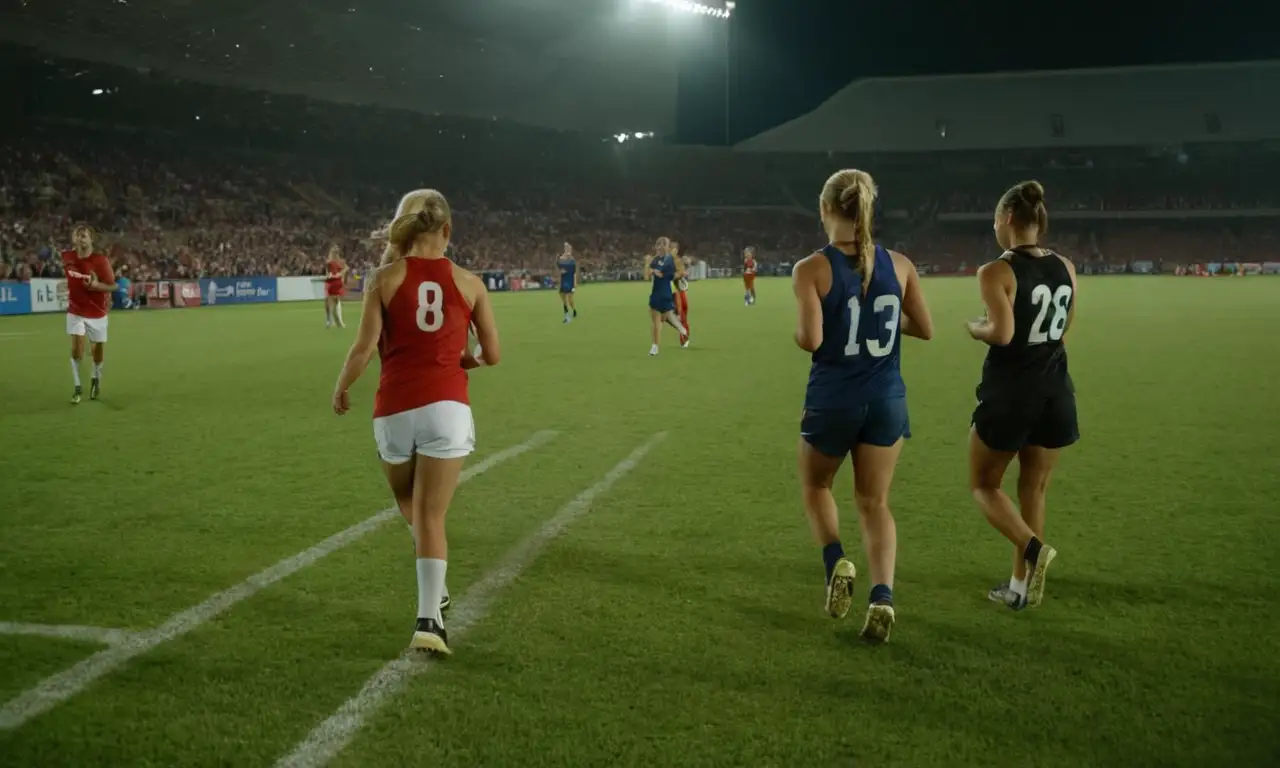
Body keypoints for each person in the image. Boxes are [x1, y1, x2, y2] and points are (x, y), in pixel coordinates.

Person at [332, 189, 500, 655]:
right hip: (447, 407)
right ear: (447, 231)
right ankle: (431, 618)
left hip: (394, 409)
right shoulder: (471, 282)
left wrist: (342, 386)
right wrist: (465, 359)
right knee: (431, 514)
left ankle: (434, 588)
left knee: (410, 503)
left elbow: (363, 348)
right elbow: (494, 354)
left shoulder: (383, 277)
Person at [792, 170, 933, 644]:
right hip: (887, 400)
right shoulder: (901, 263)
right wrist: (883, 324)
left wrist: (801, 331)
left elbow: (811, 338)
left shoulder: (811, 268)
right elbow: (924, 327)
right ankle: (882, 598)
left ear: (825, 209)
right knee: (875, 503)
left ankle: (836, 563)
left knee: (816, 486)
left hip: (833, 400)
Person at [966, 180, 1077, 612]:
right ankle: (1019, 587)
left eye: (995, 219)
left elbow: (1003, 332)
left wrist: (976, 328)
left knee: (982, 484)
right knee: (1034, 490)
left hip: (1012, 393)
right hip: (1056, 391)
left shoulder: (996, 270)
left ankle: (1033, 550)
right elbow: (1065, 329)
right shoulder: (1066, 266)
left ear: (1008, 219)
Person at [62, 224, 117, 404]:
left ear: (91, 239)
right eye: (78, 236)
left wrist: (96, 286)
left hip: (97, 312)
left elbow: (113, 286)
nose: (80, 239)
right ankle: (77, 387)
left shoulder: (100, 261)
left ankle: (95, 379)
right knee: (77, 349)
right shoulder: (67, 257)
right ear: (73, 239)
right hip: (76, 311)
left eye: (84, 236)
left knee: (97, 351)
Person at [645, 237, 687, 356]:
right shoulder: (655, 259)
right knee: (659, 320)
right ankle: (655, 346)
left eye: (663, 245)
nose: (660, 247)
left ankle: (680, 330)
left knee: (663, 319)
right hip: (656, 292)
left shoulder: (670, 259)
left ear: (667, 247)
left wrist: (668, 275)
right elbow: (647, 276)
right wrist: (648, 267)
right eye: (659, 245)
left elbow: (678, 272)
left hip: (666, 292)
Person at [323, 245, 349, 329]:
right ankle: (330, 320)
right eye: (333, 252)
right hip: (330, 282)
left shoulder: (340, 261)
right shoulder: (329, 262)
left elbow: (346, 269)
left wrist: (340, 275)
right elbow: (328, 273)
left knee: (334, 301)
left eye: (335, 252)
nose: (334, 253)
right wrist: (329, 276)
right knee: (328, 302)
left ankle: (336, 321)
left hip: (336, 283)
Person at [671, 240, 690, 348]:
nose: (675, 251)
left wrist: (681, 274)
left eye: (676, 249)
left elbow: (681, 273)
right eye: (673, 249)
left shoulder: (678, 261)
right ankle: (684, 338)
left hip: (681, 290)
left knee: (684, 313)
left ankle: (685, 335)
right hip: (673, 292)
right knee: (680, 315)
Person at [557, 242, 578, 323]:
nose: (568, 250)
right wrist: (561, 272)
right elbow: (559, 269)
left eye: (569, 248)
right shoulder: (560, 259)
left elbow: (574, 272)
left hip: (570, 280)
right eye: (566, 248)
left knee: (570, 299)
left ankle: (573, 310)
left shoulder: (572, 260)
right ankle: (566, 316)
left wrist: (575, 282)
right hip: (563, 279)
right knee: (563, 299)